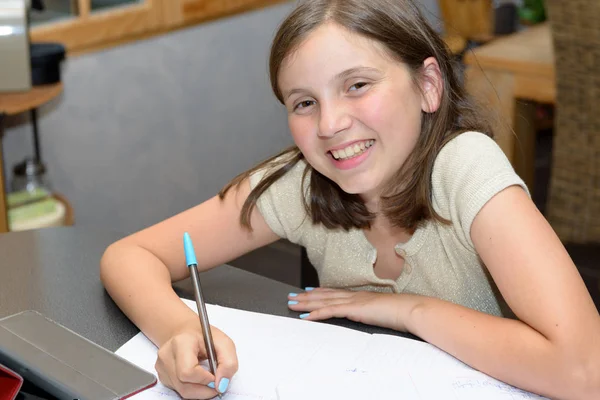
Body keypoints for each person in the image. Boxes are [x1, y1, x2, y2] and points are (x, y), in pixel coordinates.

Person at [100, 1, 600, 399]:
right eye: (304, 102)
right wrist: (179, 330)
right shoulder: (301, 181)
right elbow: (130, 255)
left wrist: (411, 310)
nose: (329, 123)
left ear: (428, 86)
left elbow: (584, 373)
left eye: (357, 85)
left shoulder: (466, 167)